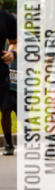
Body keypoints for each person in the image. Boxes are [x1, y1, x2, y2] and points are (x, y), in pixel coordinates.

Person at [0, 8, 17, 155]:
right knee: (5, 112)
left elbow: (15, 43)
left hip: (5, 78)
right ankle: (9, 144)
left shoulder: (6, 18)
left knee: (12, 112)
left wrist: (12, 53)